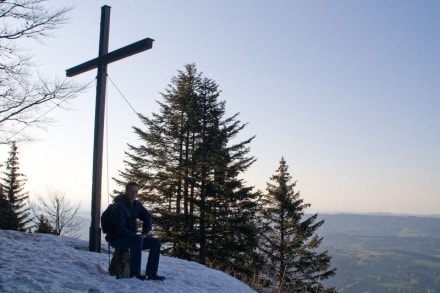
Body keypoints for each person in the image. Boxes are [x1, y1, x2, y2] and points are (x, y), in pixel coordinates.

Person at [105, 182, 165, 281]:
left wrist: (145, 232)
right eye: (131, 191)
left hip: (132, 239)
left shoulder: (136, 205)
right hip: (117, 240)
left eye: (136, 191)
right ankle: (134, 273)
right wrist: (136, 237)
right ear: (126, 192)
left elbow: (147, 217)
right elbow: (120, 229)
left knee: (155, 242)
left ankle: (151, 273)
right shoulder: (119, 207)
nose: (133, 194)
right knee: (137, 239)